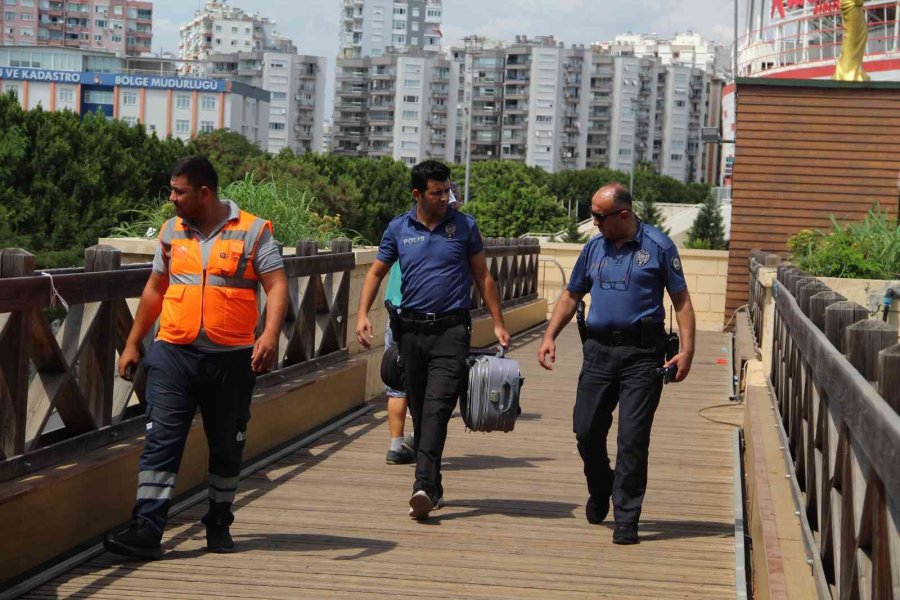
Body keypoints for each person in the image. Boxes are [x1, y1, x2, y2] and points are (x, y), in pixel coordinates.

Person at [105, 155, 289, 559]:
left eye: (178, 191)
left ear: (203, 193)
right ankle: (147, 531)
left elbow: (276, 285)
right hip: (173, 353)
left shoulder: (253, 231)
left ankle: (219, 522)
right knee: (160, 442)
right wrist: (134, 342)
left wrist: (270, 335)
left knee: (226, 446)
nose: (171, 198)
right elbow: (155, 288)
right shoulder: (172, 232)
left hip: (232, 359)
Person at [537, 183, 695, 545]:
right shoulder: (593, 248)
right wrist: (549, 336)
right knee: (586, 430)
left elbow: (682, 301)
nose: (593, 223)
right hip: (598, 353)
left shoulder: (658, 247)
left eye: (599, 216)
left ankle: (626, 518)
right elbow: (571, 294)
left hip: (643, 356)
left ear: (623, 215)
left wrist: (687, 350)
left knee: (632, 440)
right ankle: (601, 486)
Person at [356, 160, 510, 520]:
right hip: (410, 331)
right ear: (417, 194)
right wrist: (362, 315)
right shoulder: (398, 228)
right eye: (436, 193)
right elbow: (376, 272)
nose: (445, 198)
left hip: (452, 330)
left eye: (447, 190)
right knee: (421, 409)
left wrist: (499, 322)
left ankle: (421, 484)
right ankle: (434, 484)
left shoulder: (464, 226)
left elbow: (483, 277)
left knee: (439, 406)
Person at [383, 261, 415, 465]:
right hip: (425, 313)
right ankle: (420, 437)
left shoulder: (399, 229)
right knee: (430, 379)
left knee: (396, 382)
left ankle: (395, 446)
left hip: (396, 308)